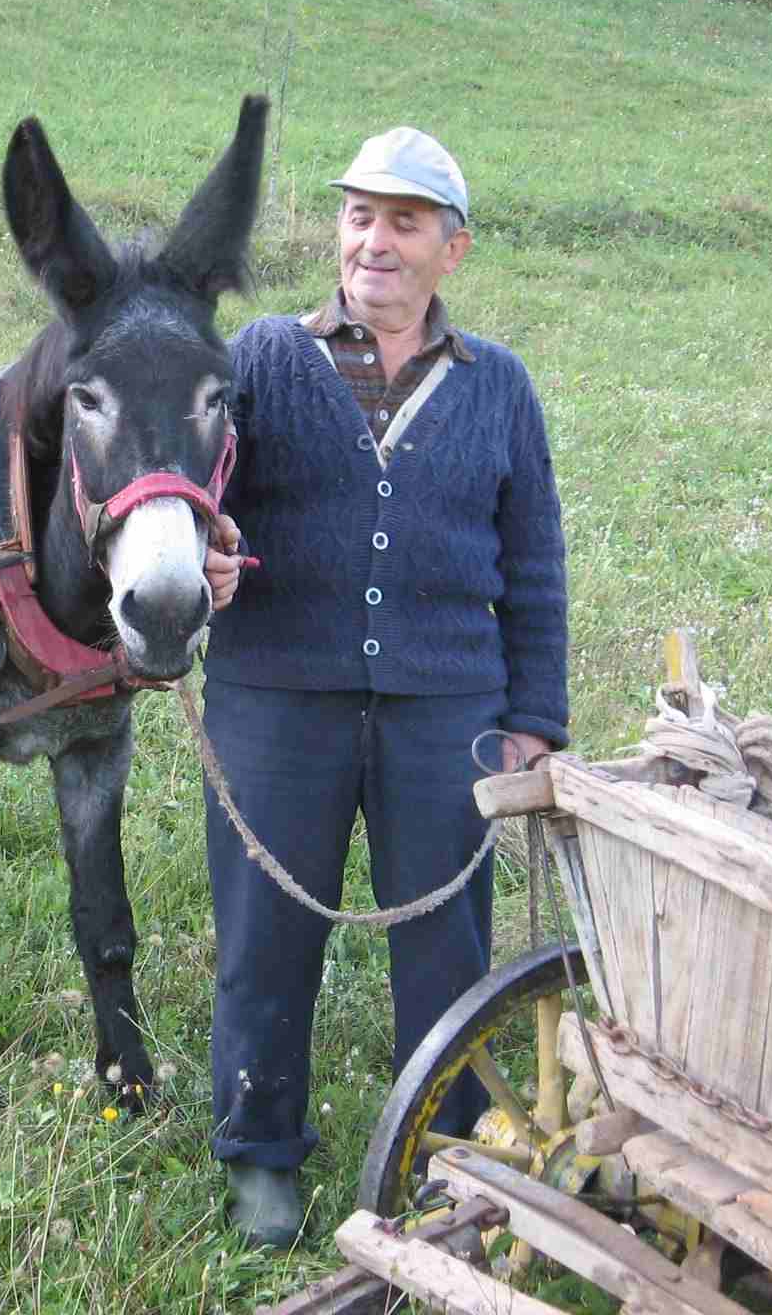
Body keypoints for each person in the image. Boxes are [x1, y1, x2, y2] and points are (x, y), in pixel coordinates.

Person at [199, 127, 568, 1245]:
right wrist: (207, 552)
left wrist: (534, 719)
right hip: (275, 697)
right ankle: (261, 1153)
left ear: (453, 249)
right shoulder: (262, 358)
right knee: (263, 937)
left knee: (448, 950)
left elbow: (534, 563)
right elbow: (197, 489)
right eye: (360, 216)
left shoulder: (498, 386)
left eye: (405, 222)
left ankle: (444, 1154)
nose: (376, 241)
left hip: (447, 710)